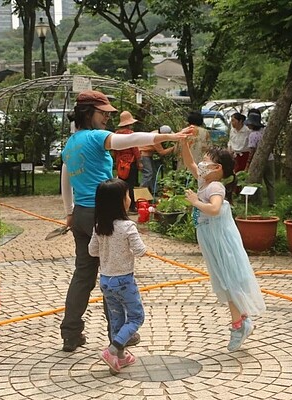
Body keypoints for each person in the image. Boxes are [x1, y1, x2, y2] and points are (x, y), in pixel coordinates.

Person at [60, 90, 191, 352]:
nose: (107, 117)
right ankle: (119, 335)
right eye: (103, 113)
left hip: (82, 215)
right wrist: (168, 136)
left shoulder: (70, 143)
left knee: (83, 274)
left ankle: (70, 334)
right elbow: (129, 139)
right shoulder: (96, 138)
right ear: (89, 113)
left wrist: (69, 212)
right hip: (104, 214)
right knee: (113, 272)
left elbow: (65, 177)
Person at [180, 140, 266, 351]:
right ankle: (241, 321)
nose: (201, 164)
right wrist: (183, 142)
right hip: (211, 238)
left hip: (220, 240)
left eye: (206, 162)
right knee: (224, 280)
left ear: (217, 169)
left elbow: (215, 208)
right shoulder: (204, 182)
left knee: (228, 280)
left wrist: (195, 202)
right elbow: (188, 162)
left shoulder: (215, 186)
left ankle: (240, 324)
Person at [88, 178, 146, 373]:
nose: (130, 198)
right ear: (121, 201)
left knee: (116, 318)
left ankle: (118, 358)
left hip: (105, 281)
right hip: (124, 280)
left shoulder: (99, 226)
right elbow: (139, 250)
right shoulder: (128, 227)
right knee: (136, 317)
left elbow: (92, 251)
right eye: (127, 195)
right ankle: (113, 349)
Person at [245, 112, 275, 206]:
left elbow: (252, 150)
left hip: (258, 160)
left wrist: (248, 163)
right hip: (270, 158)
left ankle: (258, 202)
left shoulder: (253, 135)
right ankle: (272, 202)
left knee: (257, 181)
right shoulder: (265, 131)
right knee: (270, 182)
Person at [113, 111, 141, 213]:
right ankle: (132, 207)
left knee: (121, 185)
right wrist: (139, 161)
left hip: (121, 163)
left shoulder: (116, 134)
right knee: (130, 185)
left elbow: (115, 150)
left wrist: (117, 163)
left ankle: (121, 205)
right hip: (131, 162)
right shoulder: (130, 134)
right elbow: (135, 149)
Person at [139, 125, 176, 196]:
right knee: (148, 173)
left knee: (154, 172)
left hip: (148, 155)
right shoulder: (155, 138)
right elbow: (162, 152)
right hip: (143, 155)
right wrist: (174, 148)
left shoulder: (156, 133)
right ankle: (141, 193)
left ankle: (154, 191)